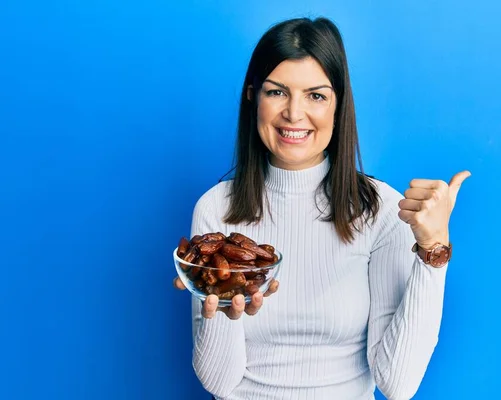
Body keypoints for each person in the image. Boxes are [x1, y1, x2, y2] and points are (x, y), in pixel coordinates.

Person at [172, 16, 470, 400]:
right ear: (252, 96)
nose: (294, 114)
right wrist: (227, 312)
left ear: (338, 104)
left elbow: (398, 384)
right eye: (277, 92)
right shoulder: (217, 209)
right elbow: (218, 382)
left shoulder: (381, 210)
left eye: (316, 95)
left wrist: (434, 254)